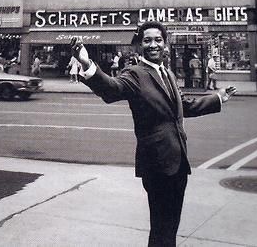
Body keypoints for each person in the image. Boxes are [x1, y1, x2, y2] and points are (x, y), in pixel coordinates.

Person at [71, 21, 236, 246]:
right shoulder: (135, 74)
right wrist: (87, 63)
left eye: (158, 40)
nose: (153, 45)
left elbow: (184, 106)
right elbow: (111, 89)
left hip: (178, 162)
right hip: (157, 165)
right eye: (147, 40)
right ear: (140, 45)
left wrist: (217, 98)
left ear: (165, 44)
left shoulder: (168, 74)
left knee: (170, 227)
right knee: (161, 229)